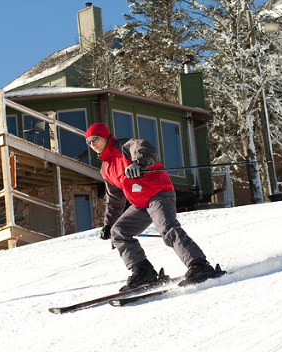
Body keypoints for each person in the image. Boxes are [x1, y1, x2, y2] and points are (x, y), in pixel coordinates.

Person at [85, 122, 218, 291]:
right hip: (140, 204)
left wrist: (138, 164)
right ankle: (143, 271)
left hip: (158, 194)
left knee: (167, 227)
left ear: (104, 136)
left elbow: (146, 147)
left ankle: (198, 264)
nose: (92, 144)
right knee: (118, 231)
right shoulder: (106, 168)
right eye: (88, 142)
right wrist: (108, 224)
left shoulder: (124, 146)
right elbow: (114, 199)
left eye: (94, 139)